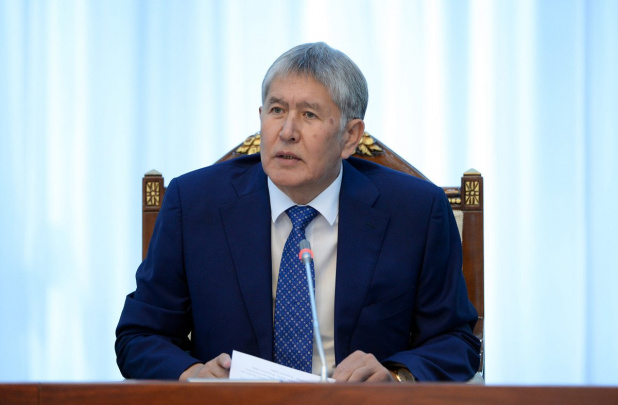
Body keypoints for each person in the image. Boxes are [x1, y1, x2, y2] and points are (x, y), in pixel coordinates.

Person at [115, 42, 480, 382]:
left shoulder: (414, 212)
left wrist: (396, 377)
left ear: (350, 136)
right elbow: (140, 335)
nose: (287, 132)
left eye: (309, 114)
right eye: (277, 110)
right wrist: (193, 375)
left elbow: (455, 341)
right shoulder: (195, 203)